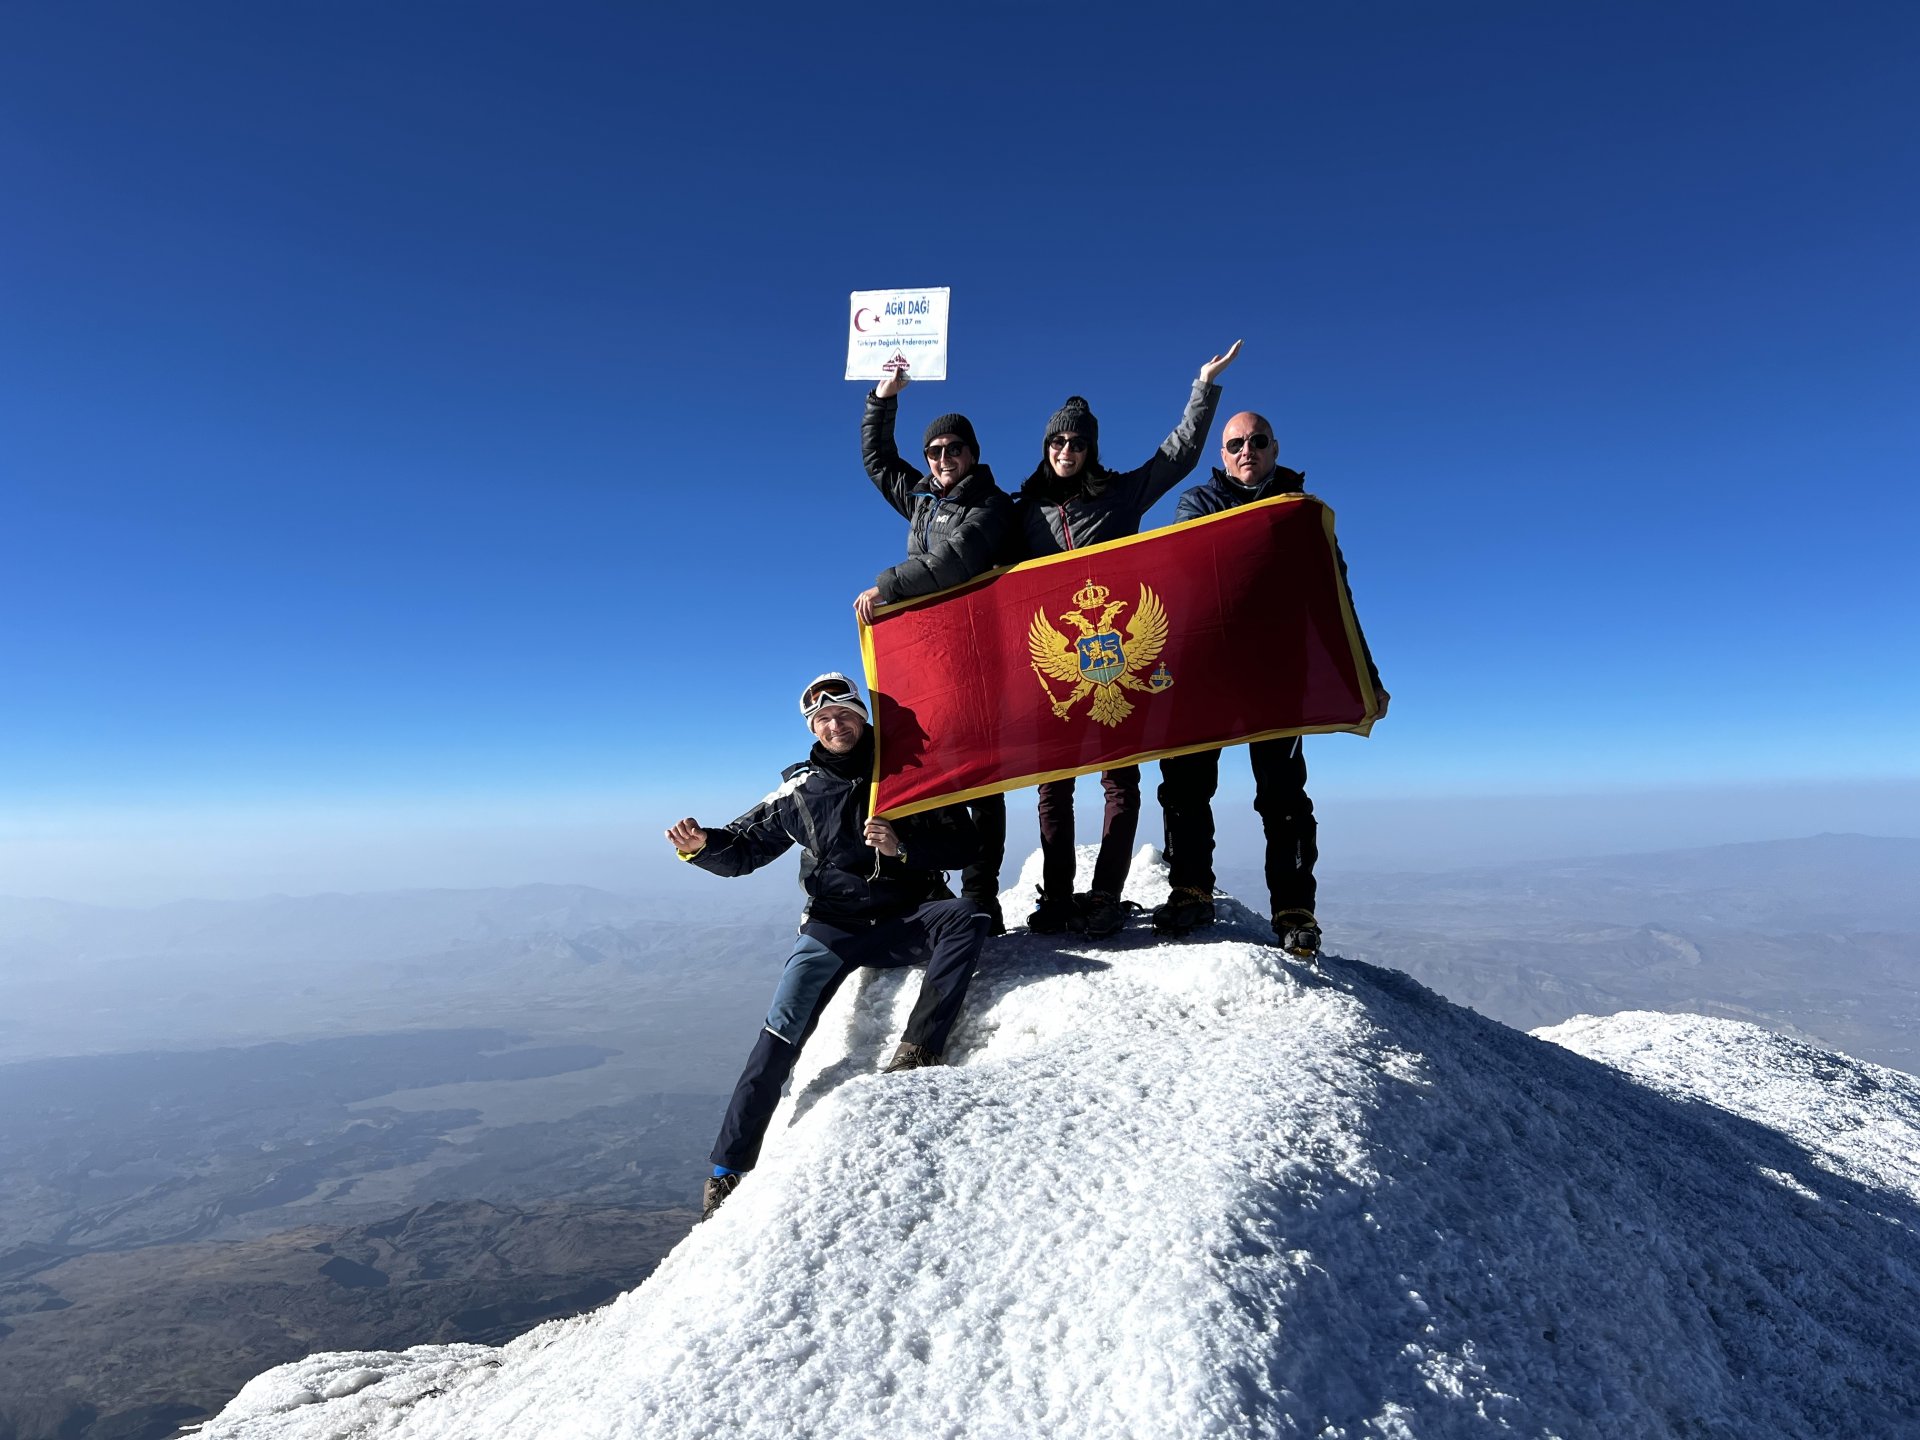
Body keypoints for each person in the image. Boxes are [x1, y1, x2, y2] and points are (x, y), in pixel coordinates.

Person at [667, 672, 989, 1219]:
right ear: (813, 730)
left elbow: (965, 843)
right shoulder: (800, 790)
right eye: (823, 720)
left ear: (863, 719)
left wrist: (905, 844)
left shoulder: (909, 775)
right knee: (780, 1030)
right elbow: (744, 847)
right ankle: (727, 1170)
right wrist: (701, 847)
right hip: (831, 927)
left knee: (966, 917)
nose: (835, 725)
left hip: (905, 916)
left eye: (844, 715)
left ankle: (918, 1051)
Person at [1009, 341, 1240, 939]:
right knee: (1052, 788)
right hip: (1056, 670)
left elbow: (1179, 454)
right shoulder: (1021, 510)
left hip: (1113, 662)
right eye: (1058, 442)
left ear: (1091, 448)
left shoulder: (1121, 494)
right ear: (1046, 445)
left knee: (1120, 782)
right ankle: (1057, 898)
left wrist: (1204, 384)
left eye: (1078, 442)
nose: (1067, 451)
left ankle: (1105, 896)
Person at [1151, 411, 1386, 959]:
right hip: (1207, 671)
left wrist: (1365, 675)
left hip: (1278, 673)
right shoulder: (1197, 505)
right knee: (1185, 785)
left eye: (1257, 441)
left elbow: (1336, 600)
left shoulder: (1303, 516)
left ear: (1275, 448)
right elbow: (1187, 575)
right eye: (1235, 444)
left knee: (1283, 796)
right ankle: (1190, 890)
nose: (1246, 451)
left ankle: (1295, 911)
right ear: (1222, 454)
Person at [855, 366, 1015, 933]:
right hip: (928, 657)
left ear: (972, 453)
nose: (942, 459)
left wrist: (888, 585)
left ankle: (981, 895)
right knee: (930, 767)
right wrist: (882, 398)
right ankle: (930, 881)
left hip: (976, 654)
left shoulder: (992, 504)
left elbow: (955, 562)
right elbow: (878, 462)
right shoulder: (922, 499)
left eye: (953, 449)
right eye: (934, 451)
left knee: (985, 780)